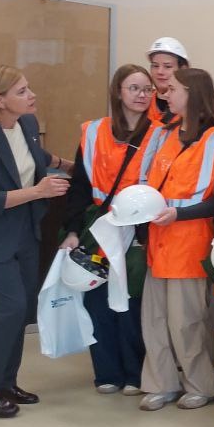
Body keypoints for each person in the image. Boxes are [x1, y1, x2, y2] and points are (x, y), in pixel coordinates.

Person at [0, 65, 70, 418]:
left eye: (28, 88)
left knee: (21, 311)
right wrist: (38, 191)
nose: (31, 95)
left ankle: (5, 382)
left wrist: (73, 165)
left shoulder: (28, 125)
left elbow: (38, 158)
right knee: (9, 310)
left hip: (24, 230)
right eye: (21, 91)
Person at [137, 67, 214, 411]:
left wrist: (179, 214)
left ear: (192, 93)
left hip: (189, 243)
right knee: (154, 319)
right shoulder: (163, 134)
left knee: (187, 322)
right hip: (157, 240)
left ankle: (201, 385)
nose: (166, 94)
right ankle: (161, 383)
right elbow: (147, 182)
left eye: (173, 89)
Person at [60, 64, 156, 397]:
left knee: (131, 301)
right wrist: (72, 230)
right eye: (134, 88)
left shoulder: (160, 134)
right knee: (97, 300)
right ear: (118, 91)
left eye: (147, 89)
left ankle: (135, 373)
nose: (142, 95)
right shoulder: (92, 132)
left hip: (138, 229)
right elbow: (79, 186)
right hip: (98, 227)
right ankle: (106, 372)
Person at [147, 37, 189, 125]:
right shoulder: (142, 103)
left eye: (167, 66)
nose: (160, 72)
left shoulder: (193, 111)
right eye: (155, 66)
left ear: (183, 69)